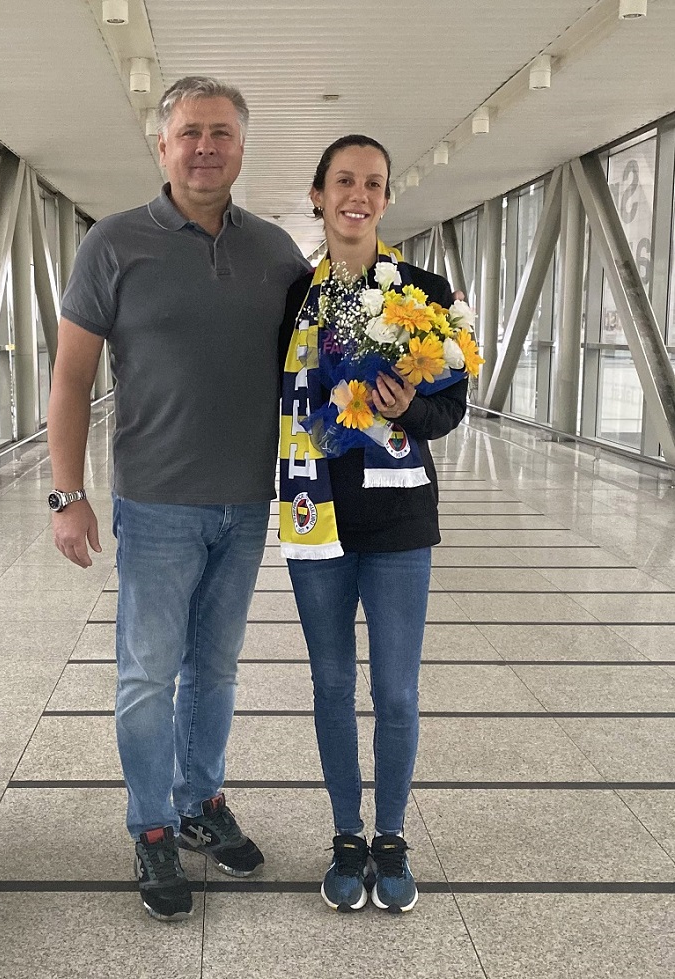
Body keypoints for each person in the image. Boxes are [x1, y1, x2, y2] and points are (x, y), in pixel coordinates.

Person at [48, 75, 309, 921]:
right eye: (191, 132)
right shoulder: (114, 243)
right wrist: (65, 494)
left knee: (216, 669)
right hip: (157, 502)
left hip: (247, 502)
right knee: (147, 673)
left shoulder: (276, 252)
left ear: (242, 147)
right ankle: (153, 824)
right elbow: (71, 374)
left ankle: (202, 800)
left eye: (221, 133)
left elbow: (318, 363)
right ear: (162, 146)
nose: (206, 147)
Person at [278, 135, 468, 913]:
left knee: (396, 691)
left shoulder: (424, 292)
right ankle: (346, 834)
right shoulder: (292, 300)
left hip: (398, 521)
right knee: (331, 685)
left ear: (387, 199)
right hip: (313, 517)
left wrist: (409, 407)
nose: (358, 195)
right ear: (318, 194)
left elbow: (452, 408)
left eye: (374, 183)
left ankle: (390, 835)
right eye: (344, 181)